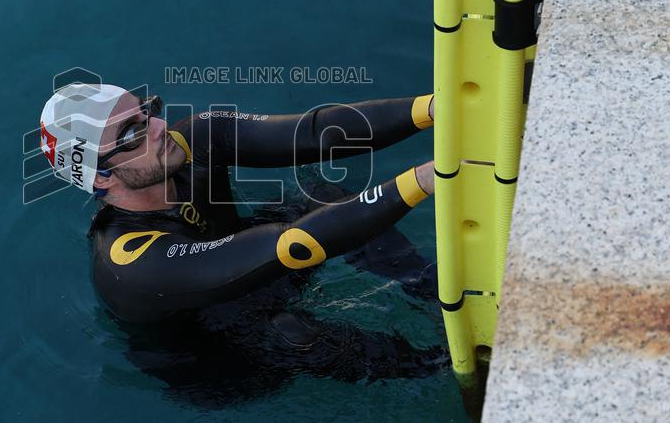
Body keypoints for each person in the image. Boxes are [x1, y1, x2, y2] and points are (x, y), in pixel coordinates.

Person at [38, 82, 446, 402]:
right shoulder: (128, 265)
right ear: (100, 177)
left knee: (323, 195)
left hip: (249, 262)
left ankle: (435, 289)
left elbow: (314, 133)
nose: (160, 128)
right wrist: (429, 178)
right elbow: (292, 245)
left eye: (148, 112)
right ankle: (440, 367)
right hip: (220, 353)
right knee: (290, 331)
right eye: (131, 135)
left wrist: (435, 108)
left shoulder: (189, 142)